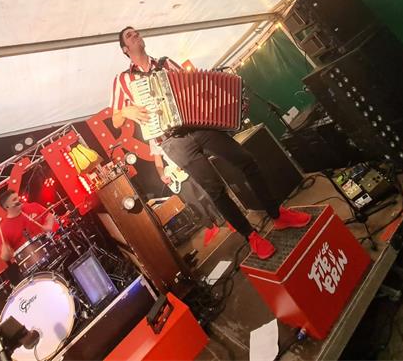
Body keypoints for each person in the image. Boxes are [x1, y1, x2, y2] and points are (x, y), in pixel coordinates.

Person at [110, 26, 311, 259]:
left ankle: (277, 215)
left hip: (199, 127)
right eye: (129, 35)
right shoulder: (123, 80)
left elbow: (195, 88)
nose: (136, 35)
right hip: (172, 142)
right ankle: (251, 237)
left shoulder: (166, 64)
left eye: (136, 32)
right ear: (125, 49)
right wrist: (125, 111)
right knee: (215, 190)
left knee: (246, 161)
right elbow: (115, 120)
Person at [0, 190, 56, 262]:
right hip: (32, 262)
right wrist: (6, 254)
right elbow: (4, 257)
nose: (19, 200)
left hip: (52, 247)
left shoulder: (33, 206)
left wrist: (48, 226)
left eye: (18, 197)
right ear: (7, 207)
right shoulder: (3, 229)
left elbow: (49, 216)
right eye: (14, 200)